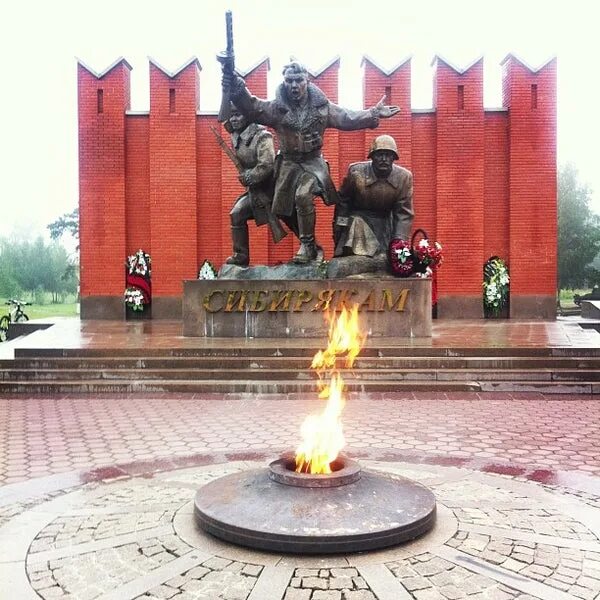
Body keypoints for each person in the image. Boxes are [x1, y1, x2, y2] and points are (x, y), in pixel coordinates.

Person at [222, 61, 400, 263]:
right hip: (287, 166)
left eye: (298, 80)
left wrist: (373, 114)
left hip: (313, 164)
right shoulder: (276, 109)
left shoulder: (321, 108)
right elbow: (252, 107)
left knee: (303, 194)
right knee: (283, 209)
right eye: (289, 81)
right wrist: (235, 84)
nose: (294, 85)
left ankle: (307, 245)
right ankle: (307, 248)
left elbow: (346, 117)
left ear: (307, 81)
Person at [333, 135, 414, 258]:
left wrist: (399, 243)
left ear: (394, 158)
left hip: (385, 224)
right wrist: (340, 228)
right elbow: (343, 201)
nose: (383, 159)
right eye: (379, 155)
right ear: (372, 157)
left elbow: (403, 213)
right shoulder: (356, 172)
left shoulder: (404, 177)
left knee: (390, 259)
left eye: (388, 155)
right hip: (358, 222)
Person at [224, 104, 276, 266]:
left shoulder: (262, 136)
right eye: (231, 115)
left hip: (273, 189)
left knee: (292, 219)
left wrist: (249, 176)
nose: (234, 119)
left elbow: (267, 164)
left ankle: (309, 247)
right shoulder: (235, 135)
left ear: (248, 115)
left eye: (238, 114)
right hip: (254, 190)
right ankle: (241, 256)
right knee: (236, 214)